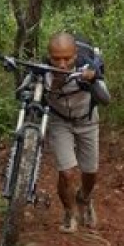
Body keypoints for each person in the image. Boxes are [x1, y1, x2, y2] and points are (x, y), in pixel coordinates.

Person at [45, 31, 110, 233]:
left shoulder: (89, 65)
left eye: (67, 58)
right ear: (49, 56)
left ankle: (85, 198)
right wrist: (55, 82)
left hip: (87, 121)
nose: (62, 64)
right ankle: (69, 212)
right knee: (67, 172)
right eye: (56, 59)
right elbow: (29, 93)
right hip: (60, 122)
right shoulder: (43, 70)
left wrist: (91, 79)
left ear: (76, 55)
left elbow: (106, 98)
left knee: (90, 173)